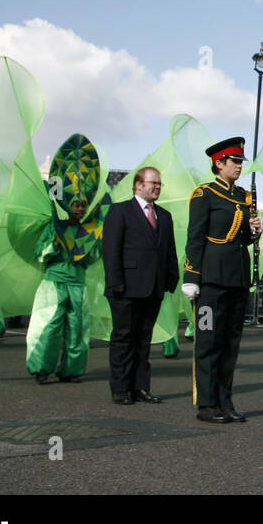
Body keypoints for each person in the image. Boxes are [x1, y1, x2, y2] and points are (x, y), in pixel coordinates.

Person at [183, 137, 262, 424]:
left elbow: (242, 240)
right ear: (219, 163)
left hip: (236, 279)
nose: (240, 166)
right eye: (235, 161)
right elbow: (195, 238)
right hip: (211, 282)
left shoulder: (244, 196)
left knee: (230, 343)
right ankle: (206, 403)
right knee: (208, 341)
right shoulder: (204, 195)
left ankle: (225, 401)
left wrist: (254, 231)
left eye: (241, 161)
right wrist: (191, 276)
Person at [26, 134, 107, 384]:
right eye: (76, 204)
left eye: (84, 204)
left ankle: (71, 370)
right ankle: (41, 367)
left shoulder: (90, 230)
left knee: (77, 329)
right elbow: (41, 253)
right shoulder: (54, 226)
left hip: (77, 284)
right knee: (48, 325)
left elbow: (92, 257)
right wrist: (56, 240)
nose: (80, 208)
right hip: (54, 283)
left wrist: (91, 246)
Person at [102, 166, 178, 405]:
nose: (156, 187)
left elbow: (168, 251)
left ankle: (141, 388)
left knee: (143, 340)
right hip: (125, 288)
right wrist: (115, 281)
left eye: (159, 184)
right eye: (152, 183)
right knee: (123, 338)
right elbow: (110, 250)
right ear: (138, 185)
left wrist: (171, 279)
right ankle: (120, 388)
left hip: (153, 288)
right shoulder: (120, 211)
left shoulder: (164, 216)